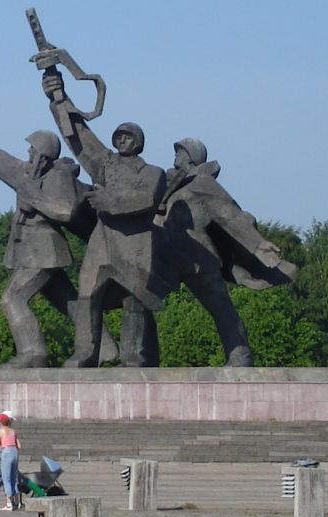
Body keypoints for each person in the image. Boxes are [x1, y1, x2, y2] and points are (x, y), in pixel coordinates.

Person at [41, 70, 170, 367]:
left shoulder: (153, 173)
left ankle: (132, 357)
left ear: (139, 142)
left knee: (134, 302)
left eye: (128, 137)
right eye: (119, 136)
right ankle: (86, 352)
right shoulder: (106, 165)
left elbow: (146, 200)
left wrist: (108, 201)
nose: (122, 141)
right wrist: (58, 98)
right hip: (102, 244)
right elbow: (81, 140)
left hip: (135, 245)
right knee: (88, 297)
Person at [0, 128, 117, 368]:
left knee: (12, 299)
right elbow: (4, 164)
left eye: (33, 147)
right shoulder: (28, 173)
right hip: (31, 250)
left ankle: (33, 352)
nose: (29, 151)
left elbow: (67, 210)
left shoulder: (59, 177)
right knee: (69, 302)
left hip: (44, 251)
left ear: (43, 154)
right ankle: (106, 348)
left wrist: (34, 199)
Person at [155, 138, 298, 367]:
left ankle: (240, 356)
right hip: (167, 255)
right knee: (136, 298)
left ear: (191, 157)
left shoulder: (202, 182)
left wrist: (258, 244)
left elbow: (229, 215)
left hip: (199, 257)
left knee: (221, 308)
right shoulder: (173, 186)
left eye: (179, 152)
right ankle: (142, 356)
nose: (175, 157)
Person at [0, 412, 22, 511]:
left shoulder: (0, 431)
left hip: (7, 453)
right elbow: (19, 446)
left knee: (6, 479)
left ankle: (9, 504)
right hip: (15, 453)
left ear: (0, 422)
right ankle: (17, 503)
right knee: (14, 478)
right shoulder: (13, 431)